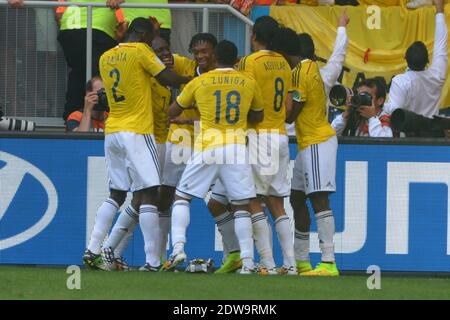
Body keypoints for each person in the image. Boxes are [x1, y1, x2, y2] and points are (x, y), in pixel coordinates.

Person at [82, 17, 190, 271]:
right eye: (152, 37)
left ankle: (93, 248)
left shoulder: (106, 55)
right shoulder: (141, 50)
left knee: (117, 193)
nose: (153, 43)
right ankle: (153, 261)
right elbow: (166, 79)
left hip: (114, 130)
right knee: (150, 192)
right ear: (142, 34)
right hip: (137, 130)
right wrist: (193, 80)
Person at [162, 40, 264, 274]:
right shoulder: (248, 82)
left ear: (215, 58)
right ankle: (247, 262)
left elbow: (172, 111)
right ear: (237, 60)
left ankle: (178, 249)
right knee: (240, 206)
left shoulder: (199, 81)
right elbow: (258, 116)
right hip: (236, 146)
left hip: (207, 145)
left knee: (182, 197)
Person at [235, 16, 297, 275]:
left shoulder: (250, 62)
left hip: (259, 135)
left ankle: (268, 264)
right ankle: (291, 265)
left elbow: (243, 98)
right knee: (277, 201)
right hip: (281, 135)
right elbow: (289, 106)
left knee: (252, 199)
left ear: (254, 37)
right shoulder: (283, 62)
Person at [284, 31, 339, 276]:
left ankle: (328, 262)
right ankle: (302, 261)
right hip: (308, 143)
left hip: (317, 142)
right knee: (296, 197)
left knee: (319, 199)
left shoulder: (299, 73)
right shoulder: (310, 68)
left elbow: (290, 114)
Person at [384, 0, 447, 118]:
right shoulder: (437, 76)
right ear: (428, 61)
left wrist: (379, 105)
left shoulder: (400, 82)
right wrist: (439, 9)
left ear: (405, 59)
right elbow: (441, 42)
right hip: (432, 133)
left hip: (409, 135)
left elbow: (393, 111)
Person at [57, 0, 118, 120]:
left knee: (78, 73)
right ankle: (100, 120)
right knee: (99, 76)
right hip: (97, 26)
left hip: (70, 26)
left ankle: (72, 118)